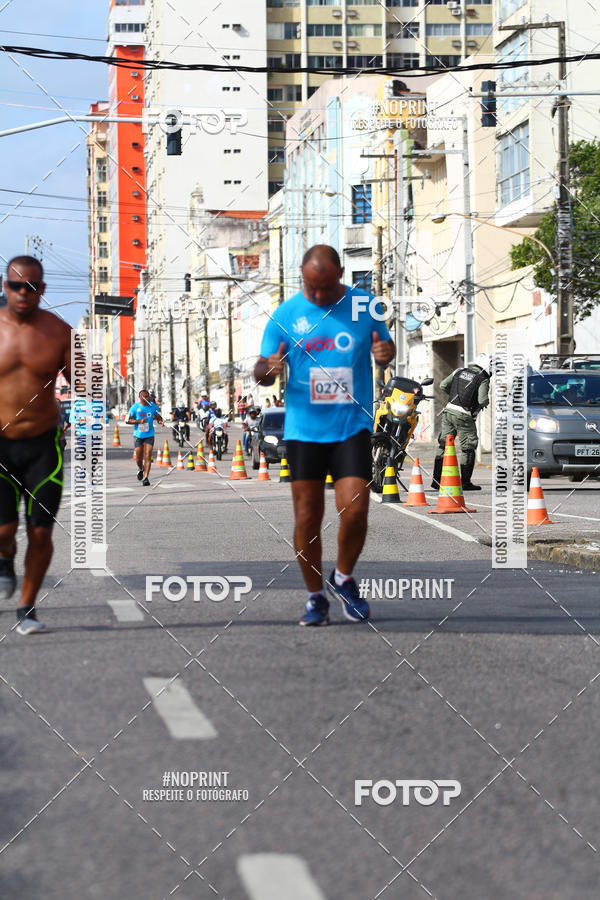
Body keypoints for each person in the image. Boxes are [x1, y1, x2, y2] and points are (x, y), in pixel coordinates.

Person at [254, 244, 395, 626]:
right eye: (312, 288)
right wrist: (268, 368)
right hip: (304, 430)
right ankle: (316, 596)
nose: (318, 296)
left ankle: (344, 577)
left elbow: (385, 346)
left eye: (327, 288)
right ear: (302, 275)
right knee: (306, 518)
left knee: (356, 509)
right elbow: (262, 369)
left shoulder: (364, 305)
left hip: (352, 426)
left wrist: (384, 352)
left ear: (340, 275)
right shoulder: (285, 314)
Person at [0, 256, 72, 635]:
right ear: (5, 286)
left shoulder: (61, 333)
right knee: (4, 530)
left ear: (43, 290)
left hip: (44, 446)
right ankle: (4, 558)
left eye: (32, 287)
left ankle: (27, 607)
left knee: (41, 532)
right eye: (16, 286)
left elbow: (89, 385)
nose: (23, 293)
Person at [432, 353, 492, 492]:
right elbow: (483, 400)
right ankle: (465, 482)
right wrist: (482, 403)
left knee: (443, 444)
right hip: (464, 415)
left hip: (448, 411)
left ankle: (436, 481)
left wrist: (454, 397)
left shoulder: (459, 371)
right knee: (468, 447)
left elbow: (443, 385)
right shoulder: (482, 378)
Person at [127, 389, 164, 485]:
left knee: (148, 456)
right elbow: (127, 420)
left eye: (147, 396)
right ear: (140, 397)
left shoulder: (153, 407)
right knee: (139, 458)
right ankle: (140, 468)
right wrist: (138, 421)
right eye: (143, 396)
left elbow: (158, 416)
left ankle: (146, 478)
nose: (146, 398)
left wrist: (160, 421)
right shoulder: (135, 407)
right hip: (138, 435)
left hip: (149, 434)